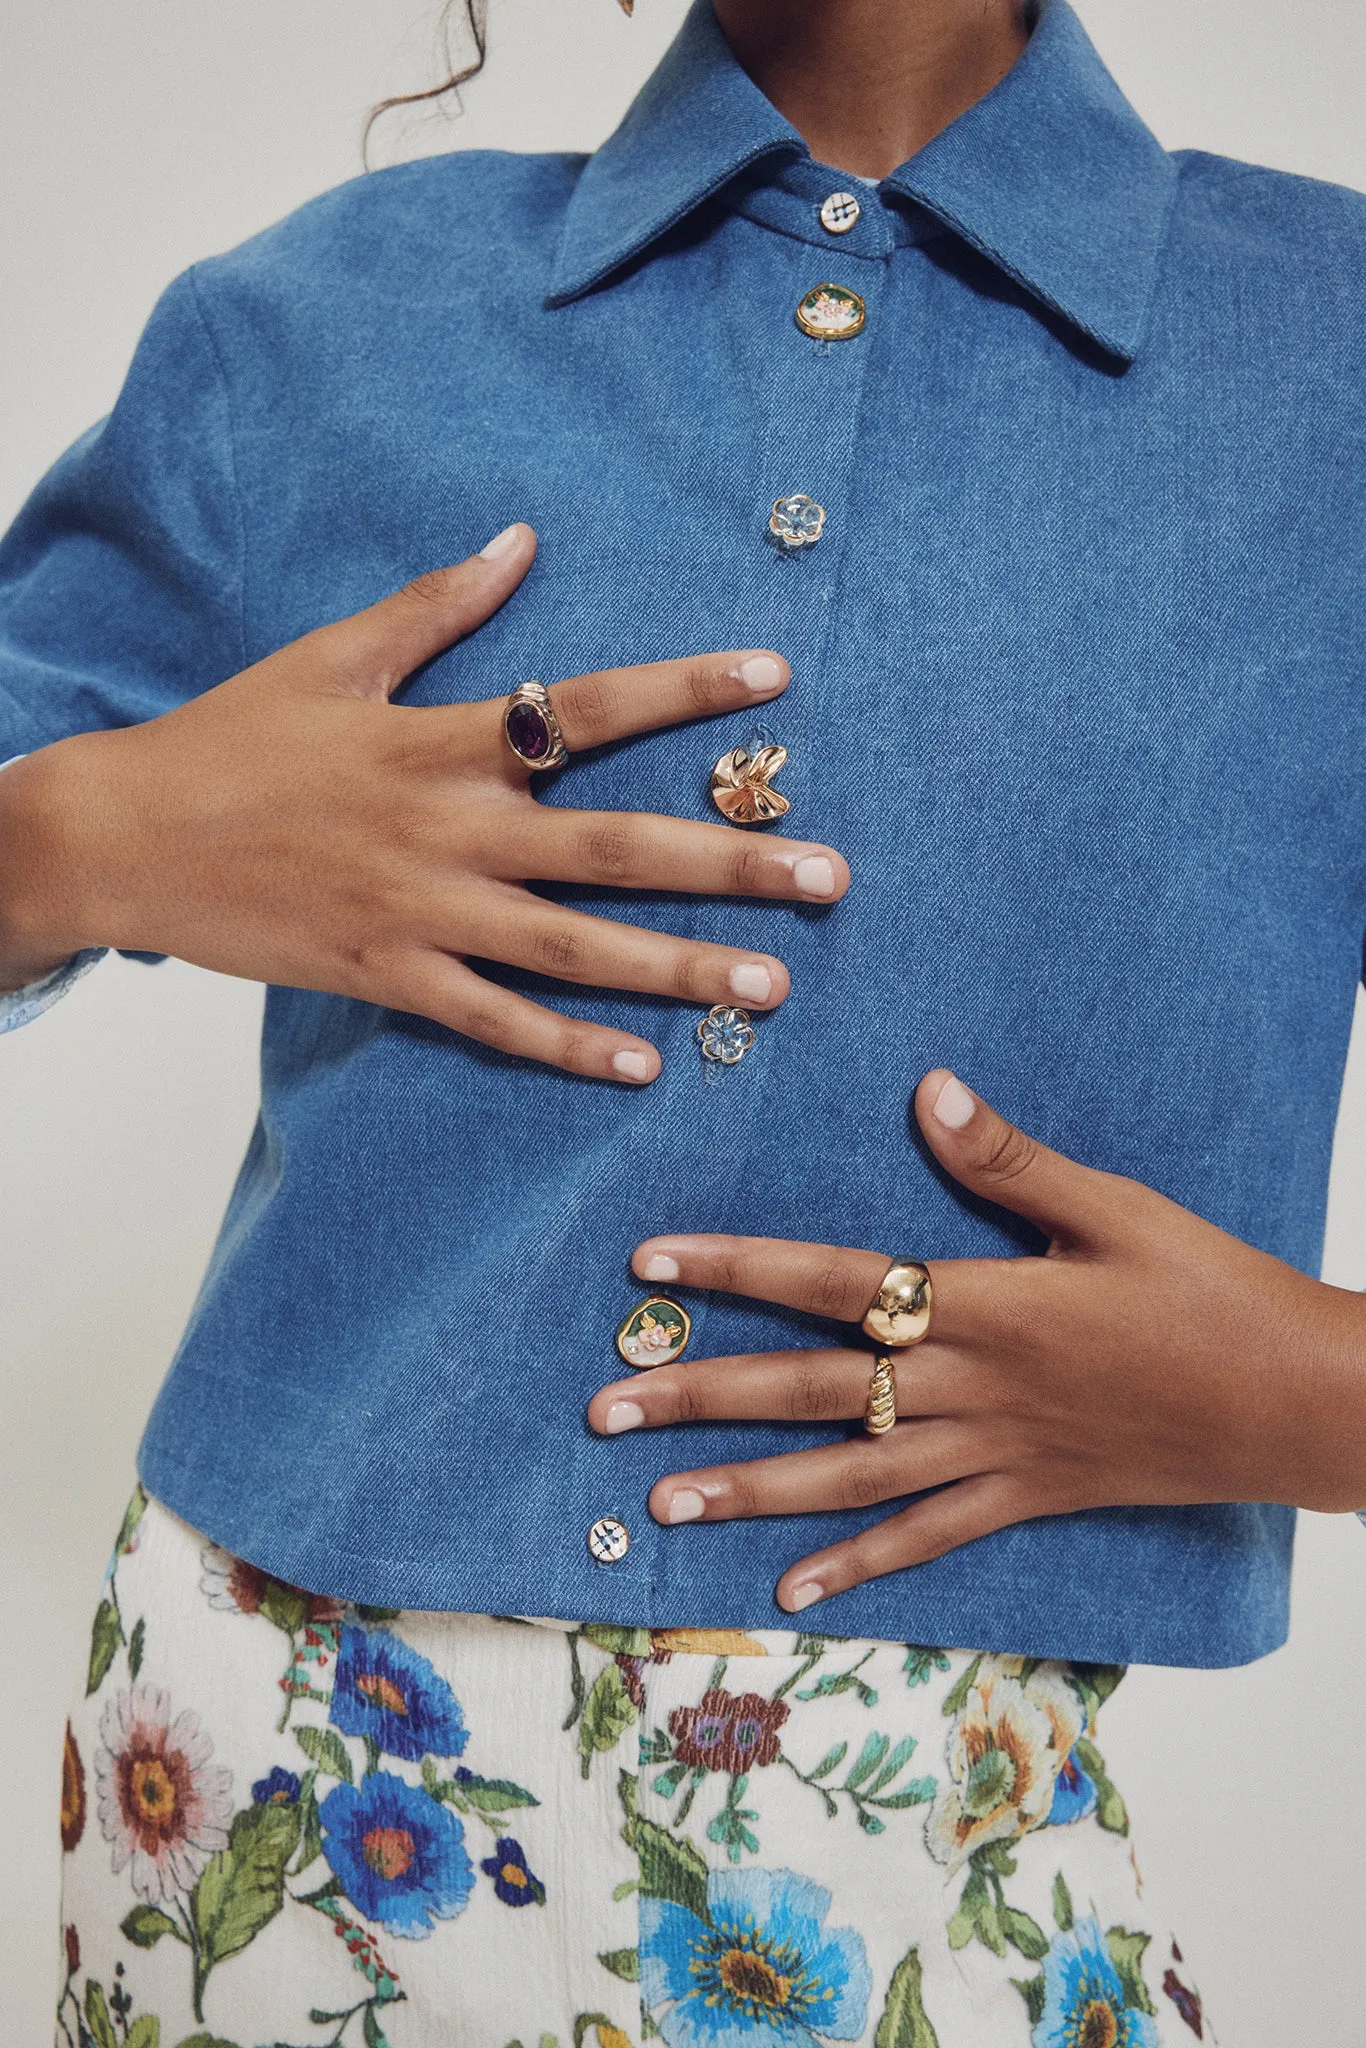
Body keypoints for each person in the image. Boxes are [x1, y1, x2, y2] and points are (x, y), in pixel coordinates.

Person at [7, 0, 1366, 2039]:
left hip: (953, 1833)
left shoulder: (1328, 359)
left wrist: (1297, 1397)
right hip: (250, 1779)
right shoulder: (322, 318)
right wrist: (92, 836)